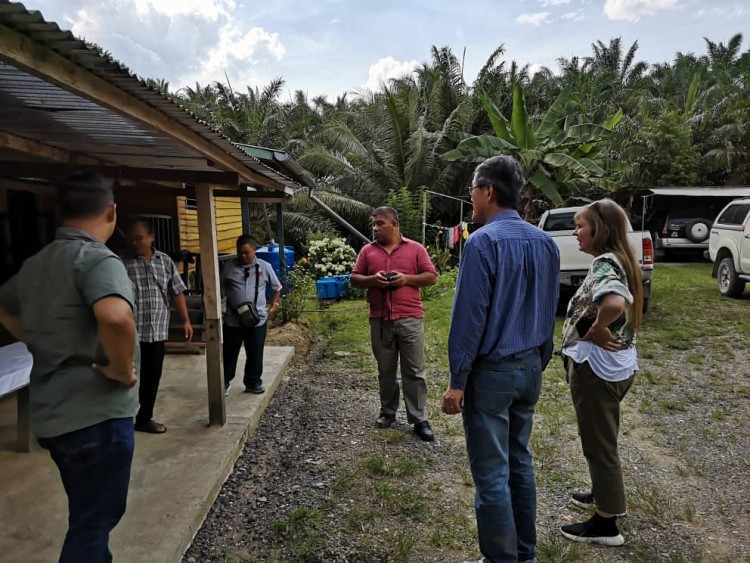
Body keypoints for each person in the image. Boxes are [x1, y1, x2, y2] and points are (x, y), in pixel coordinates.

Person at [0, 172, 139, 562]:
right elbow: (115, 317)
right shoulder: (97, 259)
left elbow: (5, 305)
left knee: (87, 513)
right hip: (97, 416)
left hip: (54, 418)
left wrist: (38, 339)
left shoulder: (34, 265)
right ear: (112, 212)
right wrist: (121, 369)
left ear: (59, 213)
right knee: (92, 525)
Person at [442, 155, 560, 563]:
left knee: (492, 472)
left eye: (473, 190)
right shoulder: (545, 242)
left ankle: (500, 559)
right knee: (519, 461)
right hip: (529, 367)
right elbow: (548, 310)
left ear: (488, 191)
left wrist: (459, 380)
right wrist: (538, 360)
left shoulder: (482, 242)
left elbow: (469, 320)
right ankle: (525, 553)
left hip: (493, 374)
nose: (471, 198)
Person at [558, 199, 643, 547]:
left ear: (600, 230)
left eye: (581, 226)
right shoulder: (620, 259)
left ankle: (606, 524)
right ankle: (603, 491)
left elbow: (614, 302)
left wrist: (598, 328)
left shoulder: (606, 262)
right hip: (615, 367)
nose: (576, 232)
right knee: (602, 436)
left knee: (599, 443)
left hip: (597, 371)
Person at [351, 207, 438, 442]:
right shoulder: (368, 252)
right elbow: (354, 279)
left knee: (415, 372)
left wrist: (406, 279)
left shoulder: (415, 249)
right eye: (374, 224)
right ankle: (388, 412)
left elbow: (431, 276)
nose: (375, 228)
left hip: (409, 318)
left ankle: (419, 419)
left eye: (380, 223)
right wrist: (373, 280)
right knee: (385, 371)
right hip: (380, 320)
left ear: (394, 225)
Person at [122, 217, 193, 434]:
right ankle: (122, 420)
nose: (134, 243)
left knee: (151, 378)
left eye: (139, 238)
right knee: (125, 378)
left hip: (157, 332)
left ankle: (144, 418)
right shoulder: (120, 263)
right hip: (129, 333)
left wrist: (186, 320)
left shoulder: (165, 262)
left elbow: (176, 292)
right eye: (131, 238)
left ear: (151, 238)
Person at [221, 234, 281, 395]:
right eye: (240, 252)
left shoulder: (265, 267)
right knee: (229, 351)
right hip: (233, 320)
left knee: (255, 352)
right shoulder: (228, 267)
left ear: (254, 250)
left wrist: (274, 305)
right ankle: (224, 382)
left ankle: (253, 382)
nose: (243, 255)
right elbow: (218, 286)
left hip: (257, 319)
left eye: (246, 252)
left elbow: (277, 288)